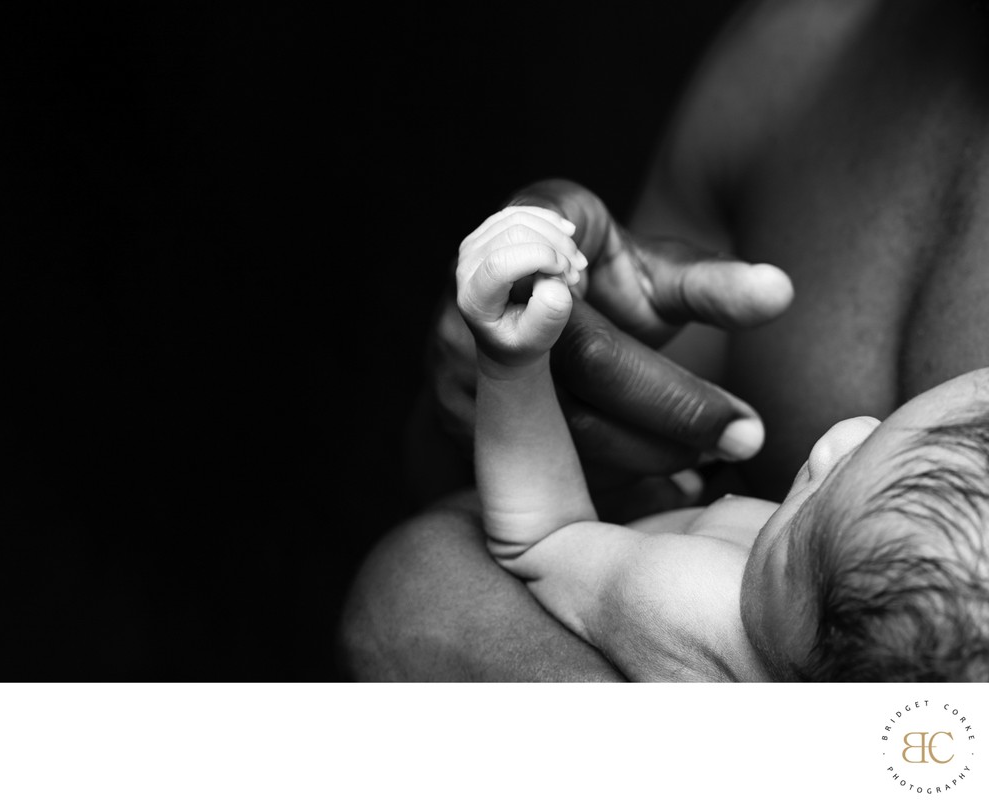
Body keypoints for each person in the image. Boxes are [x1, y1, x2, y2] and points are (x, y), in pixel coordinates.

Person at [341, 0, 989, 681]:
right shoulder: (808, 47)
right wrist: (511, 354)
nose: (843, 436)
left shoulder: (696, 598)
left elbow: (535, 545)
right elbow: (455, 492)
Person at [457, 204, 989, 681]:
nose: (846, 435)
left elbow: (541, 540)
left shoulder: (685, 594)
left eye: (831, 490)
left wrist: (511, 364)